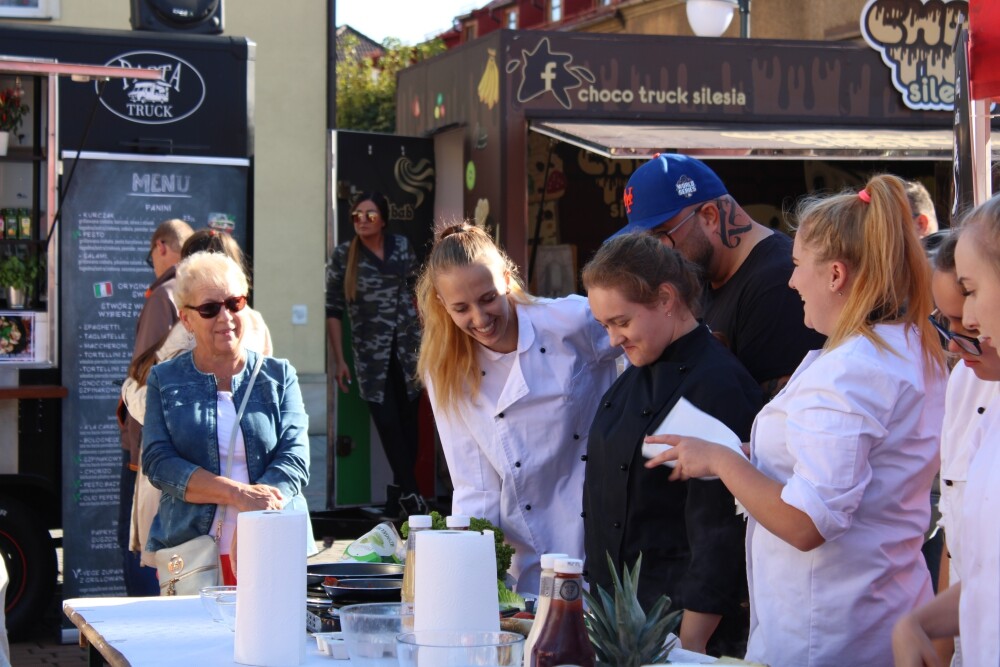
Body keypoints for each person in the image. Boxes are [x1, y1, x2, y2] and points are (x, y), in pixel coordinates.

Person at [647, 175, 948, 667]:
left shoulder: (851, 372)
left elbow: (809, 523)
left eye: (796, 266)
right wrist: (755, 460)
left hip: (828, 631)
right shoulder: (907, 348)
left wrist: (724, 462)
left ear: (834, 275)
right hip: (877, 608)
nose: (791, 282)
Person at [582, 233, 762, 655]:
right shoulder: (635, 372)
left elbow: (721, 529)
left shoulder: (716, 383)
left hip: (679, 628)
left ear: (666, 298)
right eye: (604, 326)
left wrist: (690, 643)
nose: (613, 340)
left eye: (622, 322)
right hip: (620, 621)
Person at [416, 222, 620, 594]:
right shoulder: (444, 368)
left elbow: (642, 339)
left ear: (507, 280)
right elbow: (475, 485)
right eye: (461, 308)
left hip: (603, 526)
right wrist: (472, 575)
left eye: (488, 298)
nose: (479, 319)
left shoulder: (569, 322)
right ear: (443, 306)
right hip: (527, 550)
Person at [142, 252, 311, 585]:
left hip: (273, 541)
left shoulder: (279, 376)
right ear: (186, 319)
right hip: (193, 550)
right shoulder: (165, 378)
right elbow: (158, 462)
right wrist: (238, 495)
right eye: (209, 309)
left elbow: (295, 460)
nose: (226, 317)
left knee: (272, 635)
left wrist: (257, 515)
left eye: (235, 303)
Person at [612, 153, 825, 400]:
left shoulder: (776, 283)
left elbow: (779, 417)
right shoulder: (698, 275)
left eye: (660, 235)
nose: (655, 252)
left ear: (710, 216)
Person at [123, 228, 274, 571]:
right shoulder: (255, 323)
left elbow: (149, 403)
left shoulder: (183, 321)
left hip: (190, 501)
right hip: (239, 495)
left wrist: (130, 388)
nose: (223, 317)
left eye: (233, 303)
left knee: (186, 593)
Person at [893, 194, 1000, 667]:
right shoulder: (965, 387)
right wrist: (920, 625)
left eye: (972, 292)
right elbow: (970, 563)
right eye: (947, 322)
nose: (963, 335)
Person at [326, 192, 425, 518]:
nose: (362, 220)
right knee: (388, 423)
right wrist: (339, 360)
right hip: (371, 355)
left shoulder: (400, 246)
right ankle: (411, 496)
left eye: (369, 214)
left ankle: (398, 494)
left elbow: (419, 293)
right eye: (357, 214)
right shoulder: (344, 255)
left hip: (408, 349)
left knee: (410, 425)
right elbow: (333, 310)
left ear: (383, 219)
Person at [117, 218, 192, 596]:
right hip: (181, 446)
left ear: (162, 247)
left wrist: (130, 392)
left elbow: (144, 373)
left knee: (141, 544)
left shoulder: (166, 295)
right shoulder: (239, 313)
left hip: (150, 446)